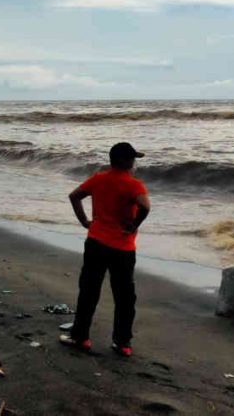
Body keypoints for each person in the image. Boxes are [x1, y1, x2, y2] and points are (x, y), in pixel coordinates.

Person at [60, 142, 151, 357]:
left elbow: (74, 196)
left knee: (89, 291)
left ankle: (80, 337)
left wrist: (84, 221)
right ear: (122, 160)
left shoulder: (98, 179)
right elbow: (145, 207)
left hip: (96, 242)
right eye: (131, 159)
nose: (133, 163)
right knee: (124, 297)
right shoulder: (133, 185)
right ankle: (122, 343)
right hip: (123, 247)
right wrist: (134, 225)